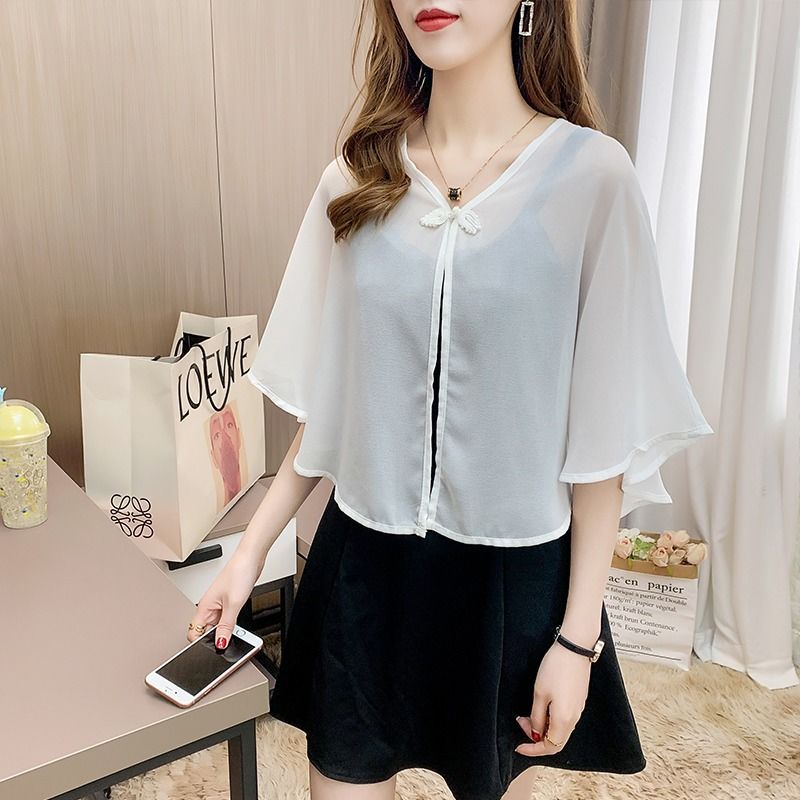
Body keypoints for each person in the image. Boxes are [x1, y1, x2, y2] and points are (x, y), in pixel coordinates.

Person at [187, 2, 714, 798]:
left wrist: (577, 640)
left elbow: (600, 443)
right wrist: (248, 555)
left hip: (513, 580)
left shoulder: (593, 179)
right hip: (366, 567)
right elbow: (334, 412)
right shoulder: (355, 178)